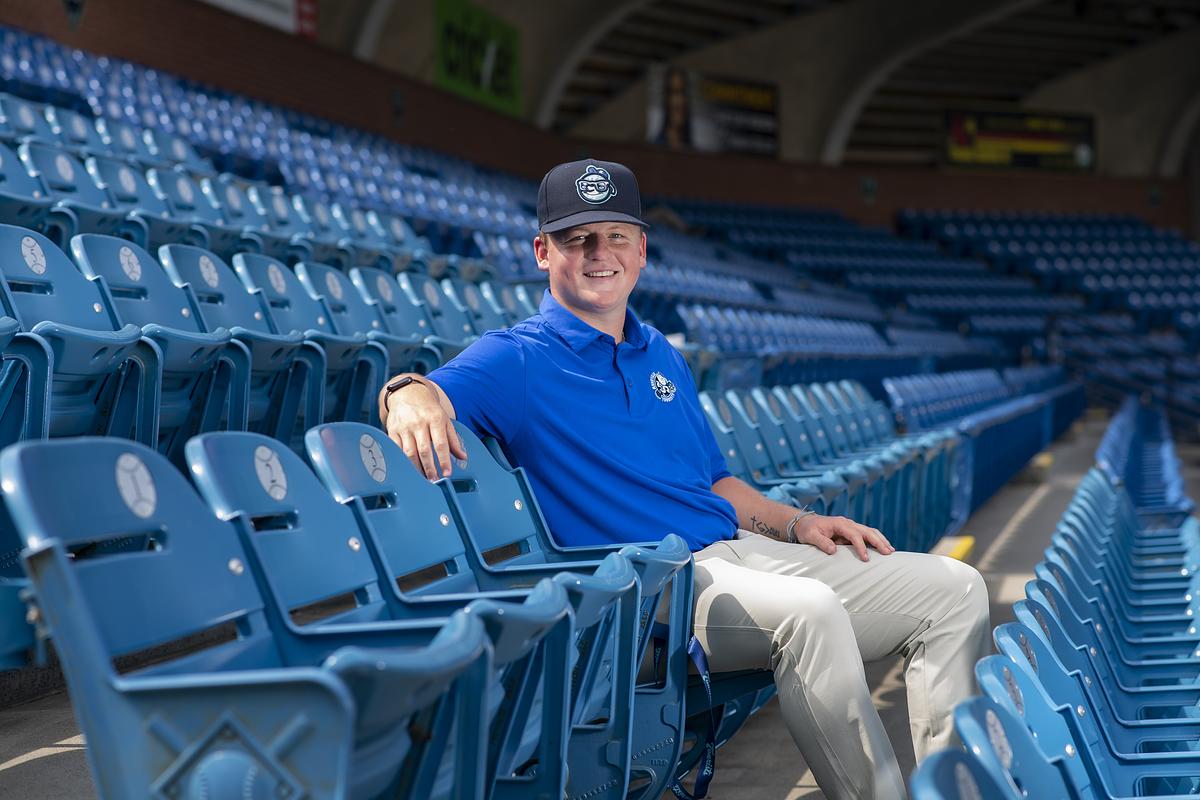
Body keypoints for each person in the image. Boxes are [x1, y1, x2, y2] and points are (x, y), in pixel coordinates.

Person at [379, 159, 990, 800]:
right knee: (810, 614)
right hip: (651, 585)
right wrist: (406, 392)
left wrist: (798, 524)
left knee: (955, 589)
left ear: (641, 250)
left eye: (615, 235)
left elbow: (714, 482)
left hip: (736, 552)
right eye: (577, 237)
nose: (599, 253)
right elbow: (419, 393)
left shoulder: (661, 352)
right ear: (542, 251)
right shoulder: (517, 357)